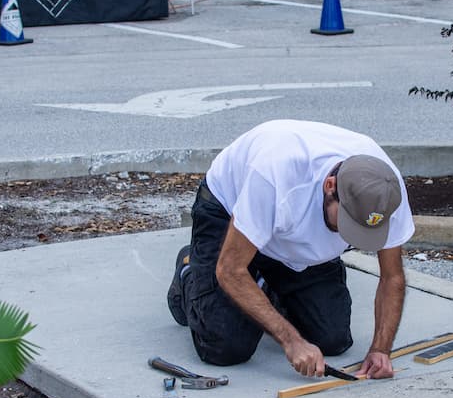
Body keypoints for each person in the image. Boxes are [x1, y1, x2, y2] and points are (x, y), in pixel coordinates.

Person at [167, 120, 415, 380]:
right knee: (225, 346)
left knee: (332, 340)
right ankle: (188, 270)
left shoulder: (384, 192)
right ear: (330, 186)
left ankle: (264, 280)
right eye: (346, 224)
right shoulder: (276, 174)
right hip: (229, 212)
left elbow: (392, 277)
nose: (348, 235)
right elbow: (230, 270)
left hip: (293, 234)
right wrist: (291, 340)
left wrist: (380, 349)